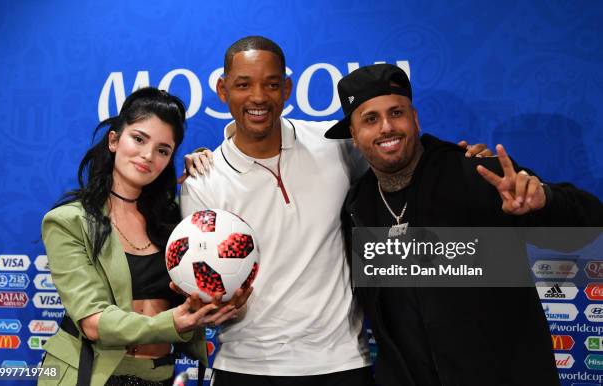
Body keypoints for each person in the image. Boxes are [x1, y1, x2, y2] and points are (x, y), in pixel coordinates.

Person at [180, 36, 491, 386]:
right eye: (243, 85)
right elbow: (203, 288)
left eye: (270, 84)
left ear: (286, 88)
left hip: (341, 363)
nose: (257, 97)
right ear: (223, 90)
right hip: (246, 367)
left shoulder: (336, 146)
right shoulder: (201, 181)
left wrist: (460, 163)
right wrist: (215, 305)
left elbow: (398, 161)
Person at [325, 63, 603, 386]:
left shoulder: (479, 175)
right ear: (354, 138)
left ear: (415, 120)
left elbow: (587, 226)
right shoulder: (358, 209)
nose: (387, 127)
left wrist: (546, 203)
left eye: (396, 113)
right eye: (370, 119)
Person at [39, 87, 239, 386]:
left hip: (159, 374)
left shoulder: (174, 220)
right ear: (114, 140)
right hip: (88, 375)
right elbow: (93, 322)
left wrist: (206, 171)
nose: (148, 156)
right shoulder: (68, 222)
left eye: (163, 150)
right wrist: (172, 323)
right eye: (139, 139)